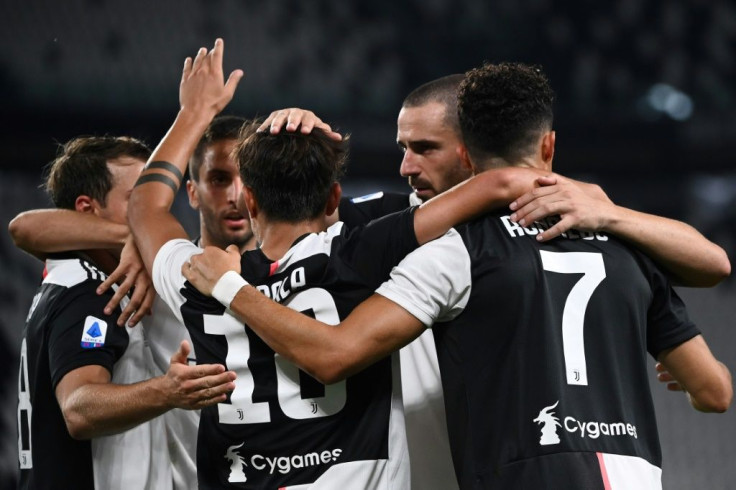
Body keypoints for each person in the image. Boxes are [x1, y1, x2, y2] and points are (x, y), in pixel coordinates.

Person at [183, 62, 732, 489]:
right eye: (402, 148)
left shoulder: (449, 248)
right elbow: (714, 385)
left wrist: (228, 288)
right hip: (633, 472)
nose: (404, 166)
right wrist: (606, 208)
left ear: (468, 153)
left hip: (515, 473)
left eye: (423, 148)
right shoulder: (622, 241)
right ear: (547, 146)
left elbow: (332, 352)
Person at [128, 39, 548, 489]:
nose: (408, 166)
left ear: (248, 199)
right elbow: (499, 183)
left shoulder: (194, 275)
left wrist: (193, 113)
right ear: (334, 199)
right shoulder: (363, 252)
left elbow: (145, 207)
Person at [8, 114, 291, 489]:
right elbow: (23, 228)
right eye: (220, 179)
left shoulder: (291, 274)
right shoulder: (131, 283)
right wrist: (133, 237)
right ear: (191, 191)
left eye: (149, 199)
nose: (236, 195)